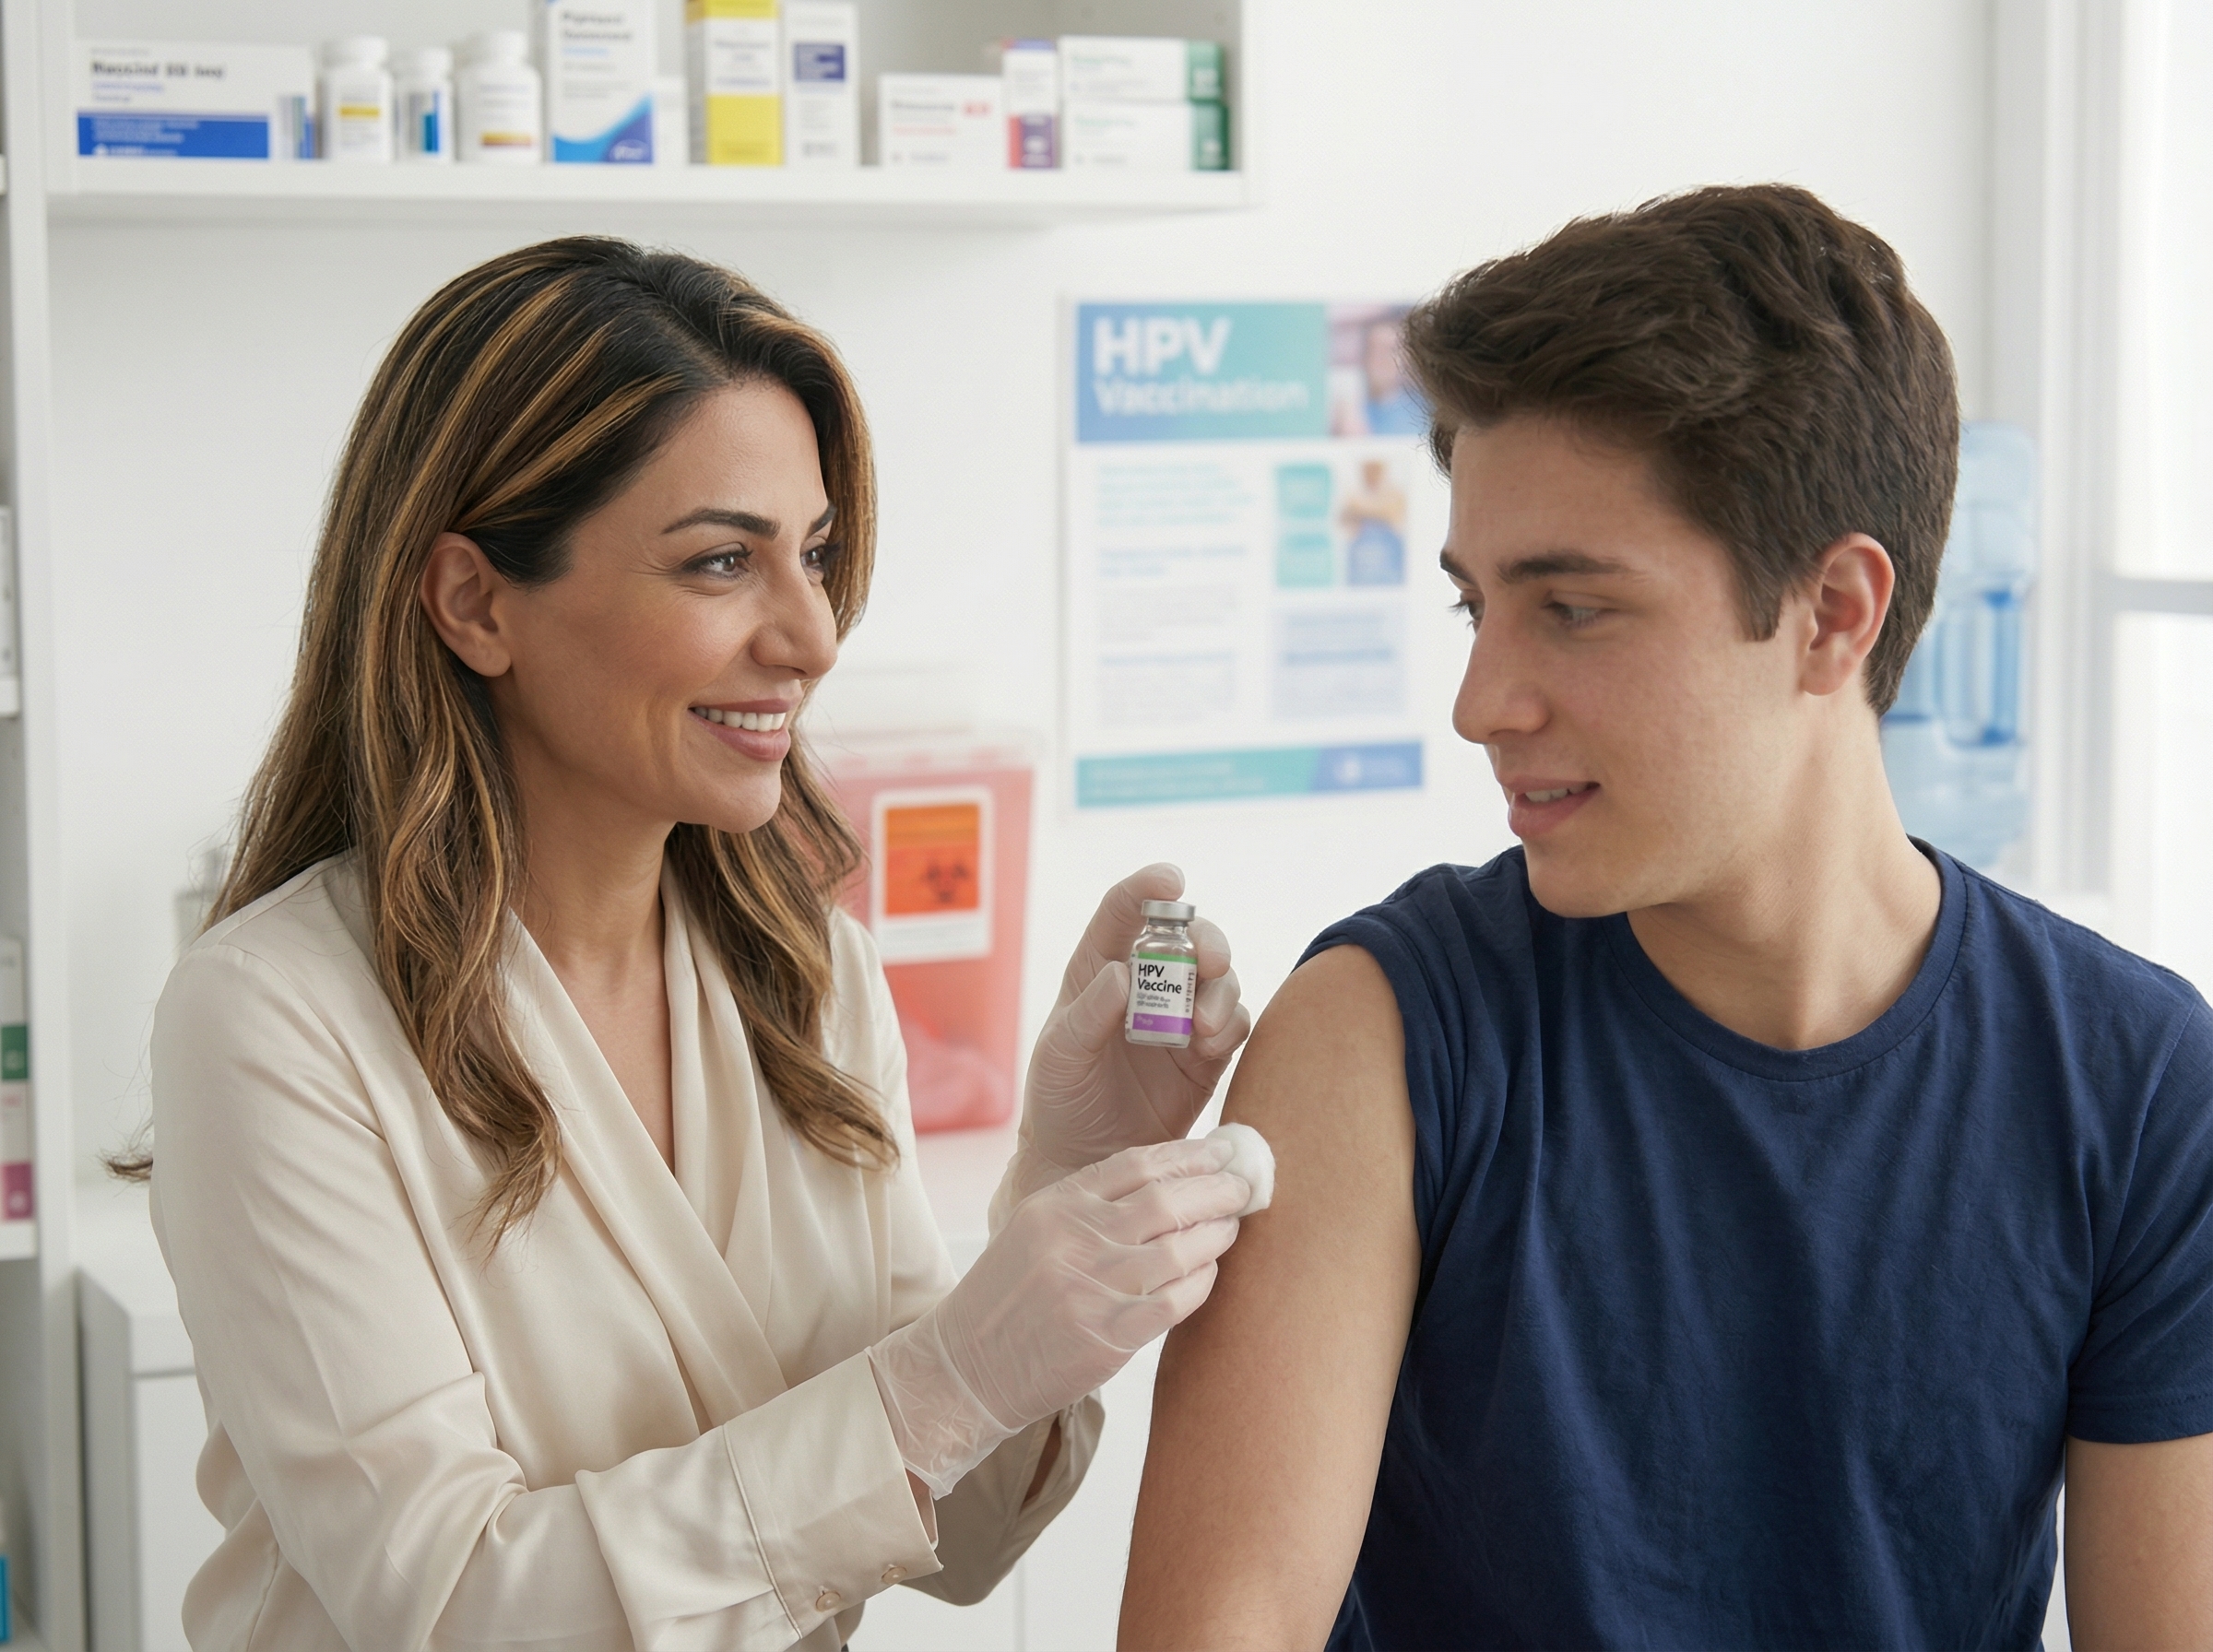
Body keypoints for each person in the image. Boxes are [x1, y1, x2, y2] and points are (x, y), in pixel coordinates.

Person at [1120, 185, 2213, 1650]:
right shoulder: (1383, 1036)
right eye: (1476, 608)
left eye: (1570, 608)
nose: (1481, 702)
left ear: (1833, 612)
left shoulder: (2136, 1086)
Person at [146, 239, 1256, 1651]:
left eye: (817, 556)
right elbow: (447, 1606)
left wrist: (1070, 1173)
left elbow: (951, 1540)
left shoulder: (807, 981)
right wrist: (945, 1384)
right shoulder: (276, 1020)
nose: (809, 635)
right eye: (723, 561)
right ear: (476, 602)